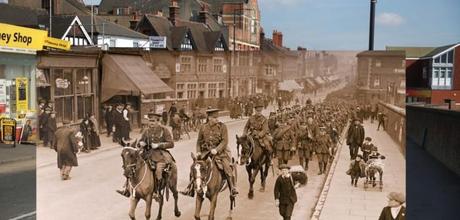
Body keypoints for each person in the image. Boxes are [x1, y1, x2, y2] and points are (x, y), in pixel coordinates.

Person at [181, 109, 238, 197]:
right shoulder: (203, 127)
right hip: (205, 153)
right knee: (195, 166)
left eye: (217, 117)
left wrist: (217, 149)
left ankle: (232, 188)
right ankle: (190, 188)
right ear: (209, 118)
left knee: (227, 166)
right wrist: (198, 152)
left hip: (220, 152)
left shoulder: (222, 127)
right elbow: (199, 142)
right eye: (214, 118)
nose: (217, 119)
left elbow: (224, 141)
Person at [117, 114, 175, 199]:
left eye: (153, 121)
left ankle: (157, 192)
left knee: (158, 170)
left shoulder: (164, 130)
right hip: (146, 153)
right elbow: (141, 141)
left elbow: (171, 143)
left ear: (158, 121)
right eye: (150, 121)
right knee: (132, 166)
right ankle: (127, 188)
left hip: (159, 155)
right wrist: (141, 143)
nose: (151, 123)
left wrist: (159, 145)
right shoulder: (146, 131)